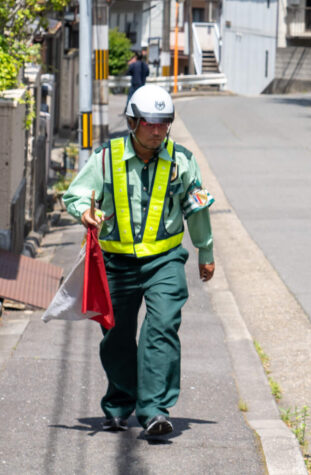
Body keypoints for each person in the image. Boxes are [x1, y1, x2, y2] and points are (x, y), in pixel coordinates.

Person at [63, 84, 215, 437]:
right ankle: (118, 404)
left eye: (165, 123)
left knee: (161, 328)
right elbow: (77, 192)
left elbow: (197, 209)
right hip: (115, 263)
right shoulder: (106, 157)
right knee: (115, 336)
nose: (159, 131)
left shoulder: (182, 161)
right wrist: (84, 210)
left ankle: (154, 409)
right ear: (133, 122)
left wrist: (205, 253)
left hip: (165, 260)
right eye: (151, 123)